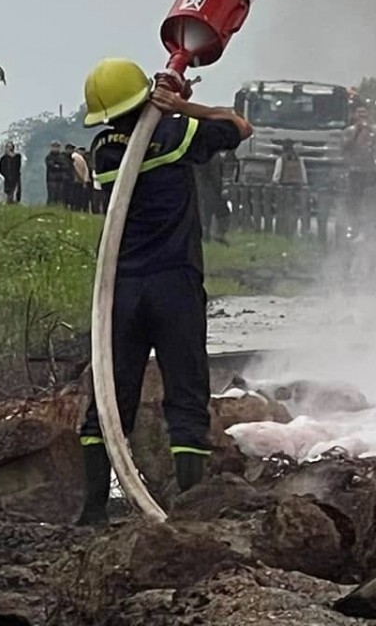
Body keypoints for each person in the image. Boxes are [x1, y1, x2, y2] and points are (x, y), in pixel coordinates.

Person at [74, 57, 250, 524]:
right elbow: (239, 126)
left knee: (110, 397)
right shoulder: (175, 134)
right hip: (174, 283)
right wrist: (182, 107)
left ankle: (92, 510)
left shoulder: (103, 148)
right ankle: (189, 508)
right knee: (186, 397)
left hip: (121, 289)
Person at [45, 142, 72, 211]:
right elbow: (51, 166)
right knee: (52, 194)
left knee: (60, 195)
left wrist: (57, 165)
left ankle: (59, 208)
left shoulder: (62, 157)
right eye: (54, 147)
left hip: (61, 179)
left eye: (57, 147)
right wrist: (58, 166)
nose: (56, 148)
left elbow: (66, 166)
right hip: (51, 179)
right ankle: (50, 208)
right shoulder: (49, 157)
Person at [68, 143, 93, 211]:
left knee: (81, 196)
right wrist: (83, 180)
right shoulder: (76, 157)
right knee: (77, 195)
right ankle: (76, 208)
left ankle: (79, 208)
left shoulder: (81, 158)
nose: (82, 151)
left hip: (80, 180)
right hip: (78, 180)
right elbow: (78, 169)